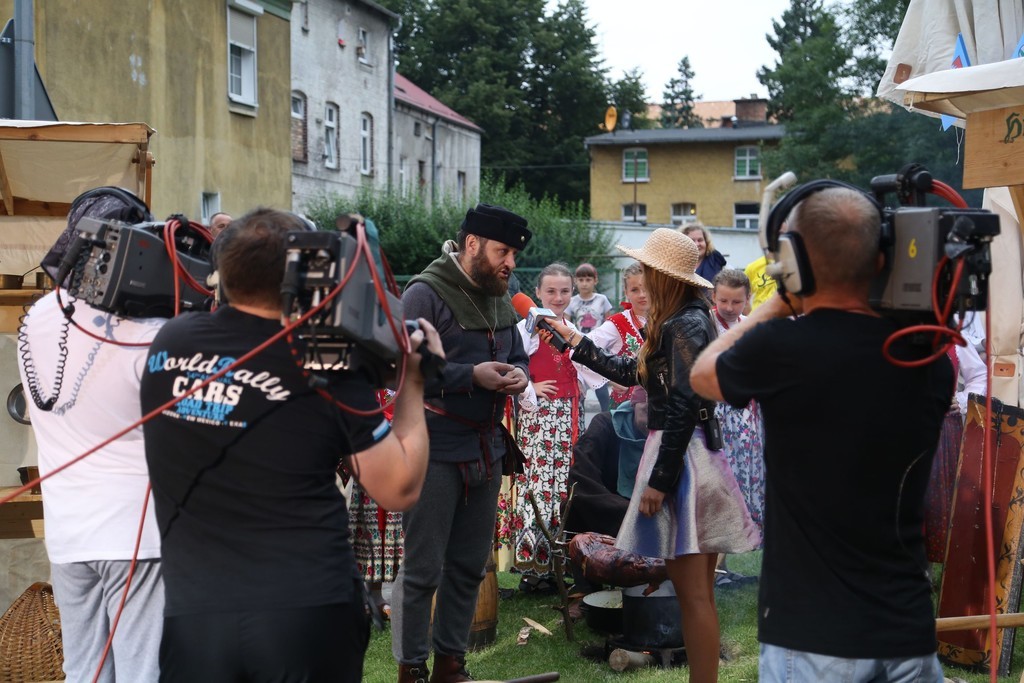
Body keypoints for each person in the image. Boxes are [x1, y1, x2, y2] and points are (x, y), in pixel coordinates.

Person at [141, 208, 442, 683]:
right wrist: (414, 381)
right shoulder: (322, 358)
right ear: (309, 275)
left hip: (195, 618)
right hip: (305, 613)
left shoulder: (171, 340)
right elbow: (399, 487)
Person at [691, 186, 952, 681]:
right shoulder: (930, 358)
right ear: (881, 258)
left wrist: (778, 304)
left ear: (793, 263)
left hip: (811, 635)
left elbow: (704, 374)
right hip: (907, 628)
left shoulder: (781, 347)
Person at [547, 228, 759, 683]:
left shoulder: (685, 324)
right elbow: (635, 373)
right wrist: (575, 342)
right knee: (696, 594)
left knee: (693, 595)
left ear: (664, 275)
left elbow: (683, 404)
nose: (641, 276)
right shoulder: (682, 319)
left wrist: (661, 481)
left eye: (647, 269)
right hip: (689, 455)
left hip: (682, 459)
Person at [17, 189, 166, 682]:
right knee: (142, 671)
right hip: (135, 532)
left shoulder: (37, 318)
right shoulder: (148, 327)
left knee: (83, 670)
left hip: (69, 530)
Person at [391, 203, 531, 683]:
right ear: (472, 244)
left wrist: (519, 374)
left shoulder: (499, 293)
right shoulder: (424, 293)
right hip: (432, 449)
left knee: (470, 566)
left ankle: (450, 666)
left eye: (513, 254)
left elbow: (518, 354)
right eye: (503, 251)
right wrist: (470, 375)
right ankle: (412, 670)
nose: (510, 262)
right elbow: (403, 368)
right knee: (422, 569)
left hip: (486, 449)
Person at [509, 262, 606, 587]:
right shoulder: (528, 328)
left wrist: (578, 381)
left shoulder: (570, 328)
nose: (558, 297)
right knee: (539, 486)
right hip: (540, 419)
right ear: (538, 292)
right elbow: (510, 364)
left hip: (569, 416)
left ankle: (558, 566)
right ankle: (533, 567)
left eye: (564, 291)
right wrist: (530, 386)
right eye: (551, 291)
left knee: (564, 485)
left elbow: (586, 367)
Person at [710, 269, 765, 539]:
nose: (730, 308)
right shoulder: (705, 324)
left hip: (747, 412)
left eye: (737, 301)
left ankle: (748, 532)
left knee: (749, 469)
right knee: (721, 472)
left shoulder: (751, 326)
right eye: (724, 301)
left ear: (748, 298)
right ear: (713, 297)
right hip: (715, 410)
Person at [587, 261, 648, 408]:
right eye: (634, 290)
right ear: (626, 292)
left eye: (647, 288)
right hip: (626, 409)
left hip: (659, 407)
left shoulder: (666, 319)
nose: (642, 295)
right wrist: (609, 378)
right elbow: (583, 349)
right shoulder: (618, 323)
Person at [566, 262, 613, 411]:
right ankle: (577, 415)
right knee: (579, 384)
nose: (584, 283)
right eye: (581, 280)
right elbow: (566, 324)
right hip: (579, 347)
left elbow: (609, 323)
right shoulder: (572, 301)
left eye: (588, 279)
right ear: (575, 281)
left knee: (600, 383)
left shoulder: (602, 300)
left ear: (595, 280)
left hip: (598, 348)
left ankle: (607, 416)